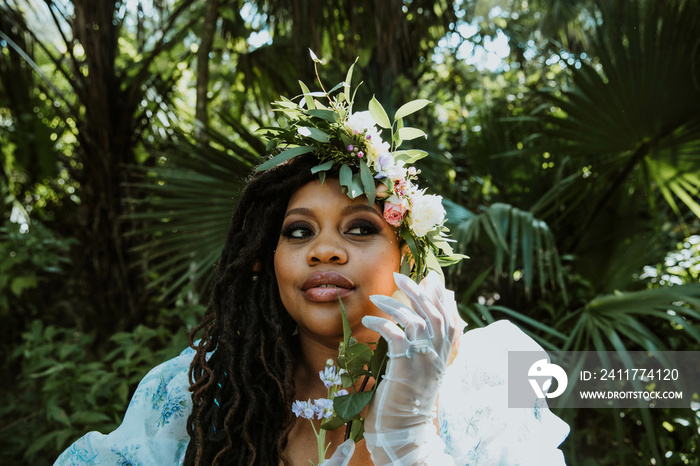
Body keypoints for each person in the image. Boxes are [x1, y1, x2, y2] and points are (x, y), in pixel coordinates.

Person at [55, 61, 569, 466]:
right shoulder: (198, 392)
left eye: (361, 228)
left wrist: (413, 440)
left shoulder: (495, 379)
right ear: (266, 261)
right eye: (298, 231)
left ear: (407, 255)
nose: (325, 250)